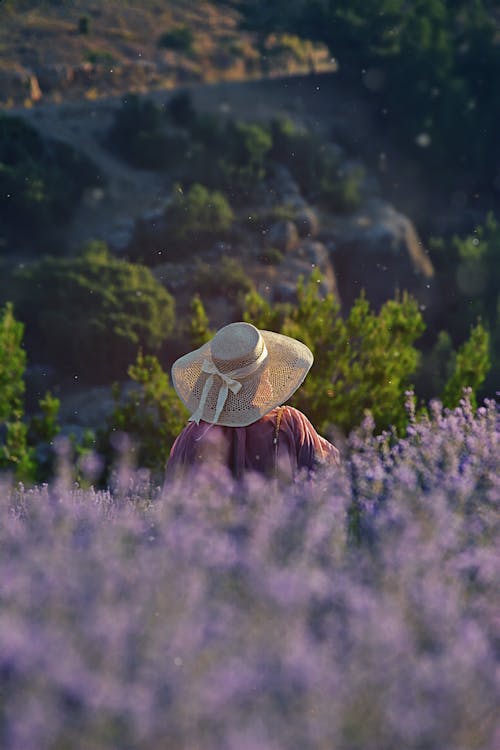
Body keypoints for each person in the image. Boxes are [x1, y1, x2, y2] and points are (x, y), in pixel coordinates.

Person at [166, 321, 339, 481]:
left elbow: (172, 505)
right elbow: (326, 483)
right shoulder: (290, 425)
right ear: (264, 373)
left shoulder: (192, 438)